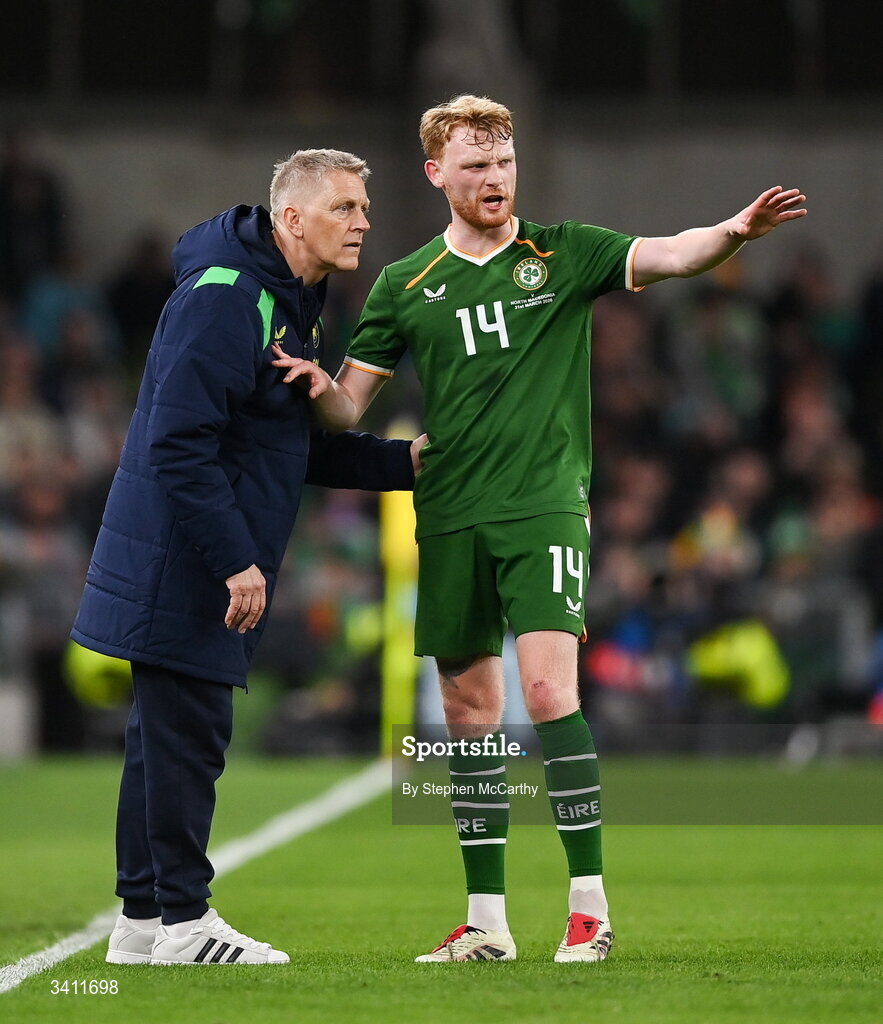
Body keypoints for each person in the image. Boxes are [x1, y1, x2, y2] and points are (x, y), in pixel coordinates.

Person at [272, 96, 808, 964]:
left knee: (552, 694)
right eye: (475, 164)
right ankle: (486, 924)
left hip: (543, 504)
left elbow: (670, 254)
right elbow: (349, 406)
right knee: (466, 712)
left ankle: (588, 913)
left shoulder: (562, 252)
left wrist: (734, 232)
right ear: (436, 173)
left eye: (504, 162)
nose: (493, 178)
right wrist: (311, 382)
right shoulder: (405, 284)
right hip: (446, 512)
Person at [71, 149, 424, 966]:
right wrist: (235, 560)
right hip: (184, 555)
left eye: (363, 206)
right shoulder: (228, 300)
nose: (363, 220)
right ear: (292, 218)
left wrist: (401, 465)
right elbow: (179, 445)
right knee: (188, 734)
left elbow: (282, 443)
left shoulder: (284, 298)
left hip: (189, 547)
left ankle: (142, 920)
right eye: (345, 207)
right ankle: (186, 920)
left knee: (160, 741)